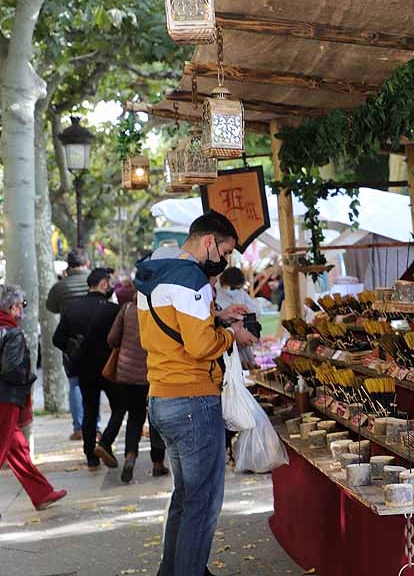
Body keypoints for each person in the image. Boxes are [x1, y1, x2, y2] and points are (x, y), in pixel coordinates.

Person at [134, 211, 257, 576]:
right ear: (209, 242)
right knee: (202, 504)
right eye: (226, 251)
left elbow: (172, 326)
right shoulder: (192, 279)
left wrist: (217, 317)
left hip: (161, 396)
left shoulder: (155, 271)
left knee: (185, 498)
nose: (226, 260)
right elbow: (200, 345)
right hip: (192, 399)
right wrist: (231, 335)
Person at [0, 284, 67, 514]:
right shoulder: (13, 332)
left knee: (17, 449)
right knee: (4, 448)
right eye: (20, 306)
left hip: (5, 397)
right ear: (11, 307)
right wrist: (27, 378)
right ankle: (42, 493)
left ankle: (42, 493)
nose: (21, 311)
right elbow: (11, 369)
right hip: (6, 398)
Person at [52, 268, 125, 469]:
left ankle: (90, 456)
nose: (111, 287)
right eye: (110, 283)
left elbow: (57, 339)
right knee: (120, 406)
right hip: (110, 369)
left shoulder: (71, 308)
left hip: (84, 369)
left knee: (89, 410)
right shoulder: (112, 310)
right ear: (103, 284)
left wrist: (75, 349)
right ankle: (105, 442)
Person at [107, 287, 169, 483]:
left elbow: (111, 339)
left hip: (128, 375)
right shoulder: (160, 309)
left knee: (134, 417)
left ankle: (130, 456)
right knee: (156, 419)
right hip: (154, 373)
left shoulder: (127, 309)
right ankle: (157, 463)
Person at [45, 247, 99, 441]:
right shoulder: (94, 280)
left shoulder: (60, 286)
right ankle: (96, 427)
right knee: (96, 384)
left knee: (75, 383)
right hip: (96, 339)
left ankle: (79, 427)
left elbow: (51, 307)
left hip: (70, 342)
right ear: (86, 263)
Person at [216, 267, 259, 369]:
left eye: (239, 288)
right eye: (234, 288)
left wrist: (246, 314)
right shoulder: (215, 293)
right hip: (226, 338)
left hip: (241, 336)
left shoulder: (240, 293)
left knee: (246, 365)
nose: (236, 291)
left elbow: (255, 310)